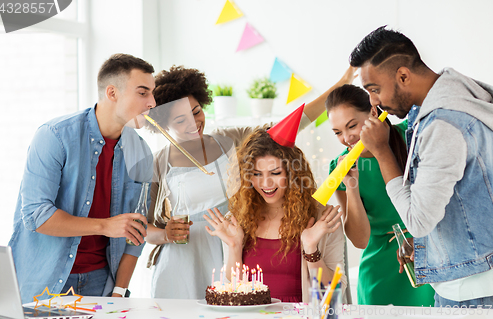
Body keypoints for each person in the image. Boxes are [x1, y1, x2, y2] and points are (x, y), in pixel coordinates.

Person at [144, 65, 356, 299]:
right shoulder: (158, 163)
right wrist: (166, 234)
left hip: (232, 249)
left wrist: (339, 85)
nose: (193, 123)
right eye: (181, 120)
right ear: (164, 125)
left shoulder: (231, 139)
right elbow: (142, 228)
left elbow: (290, 126)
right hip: (184, 262)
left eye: (196, 112)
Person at [350, 26, 493, 307]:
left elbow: (417, 221)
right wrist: (432, 245)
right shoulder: (462, 95)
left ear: (403, 75)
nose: (373, 102)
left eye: (375, 89)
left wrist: (382, 152)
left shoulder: (443, 125)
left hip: (472, 293)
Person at [9, 53, 156, 303]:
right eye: (143, 93)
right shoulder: (54, 136)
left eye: (153, 93)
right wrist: (105, 225)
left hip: (101, 282)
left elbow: (136, 230)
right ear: (112, 93)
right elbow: (36, 215)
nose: (152, 102)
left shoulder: (141, 152)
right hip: (43, 280)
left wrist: (119, 291)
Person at [203, 128, 346, 302]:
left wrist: (310, 249)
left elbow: (335, 290)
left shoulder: (322, 217)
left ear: (293, 173)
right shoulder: (237, 219)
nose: (266, 183)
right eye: (256, 174)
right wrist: (234, 246)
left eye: (275, 173)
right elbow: (234, 291)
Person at [326, 84, 434, 306]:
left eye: (352, 126)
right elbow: (359, 240)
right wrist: (352, 187)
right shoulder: (339, 169)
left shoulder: (412, 135)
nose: (346, 138)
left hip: (427, 254)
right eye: (337, 132)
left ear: (373, 113)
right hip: (378, 271)